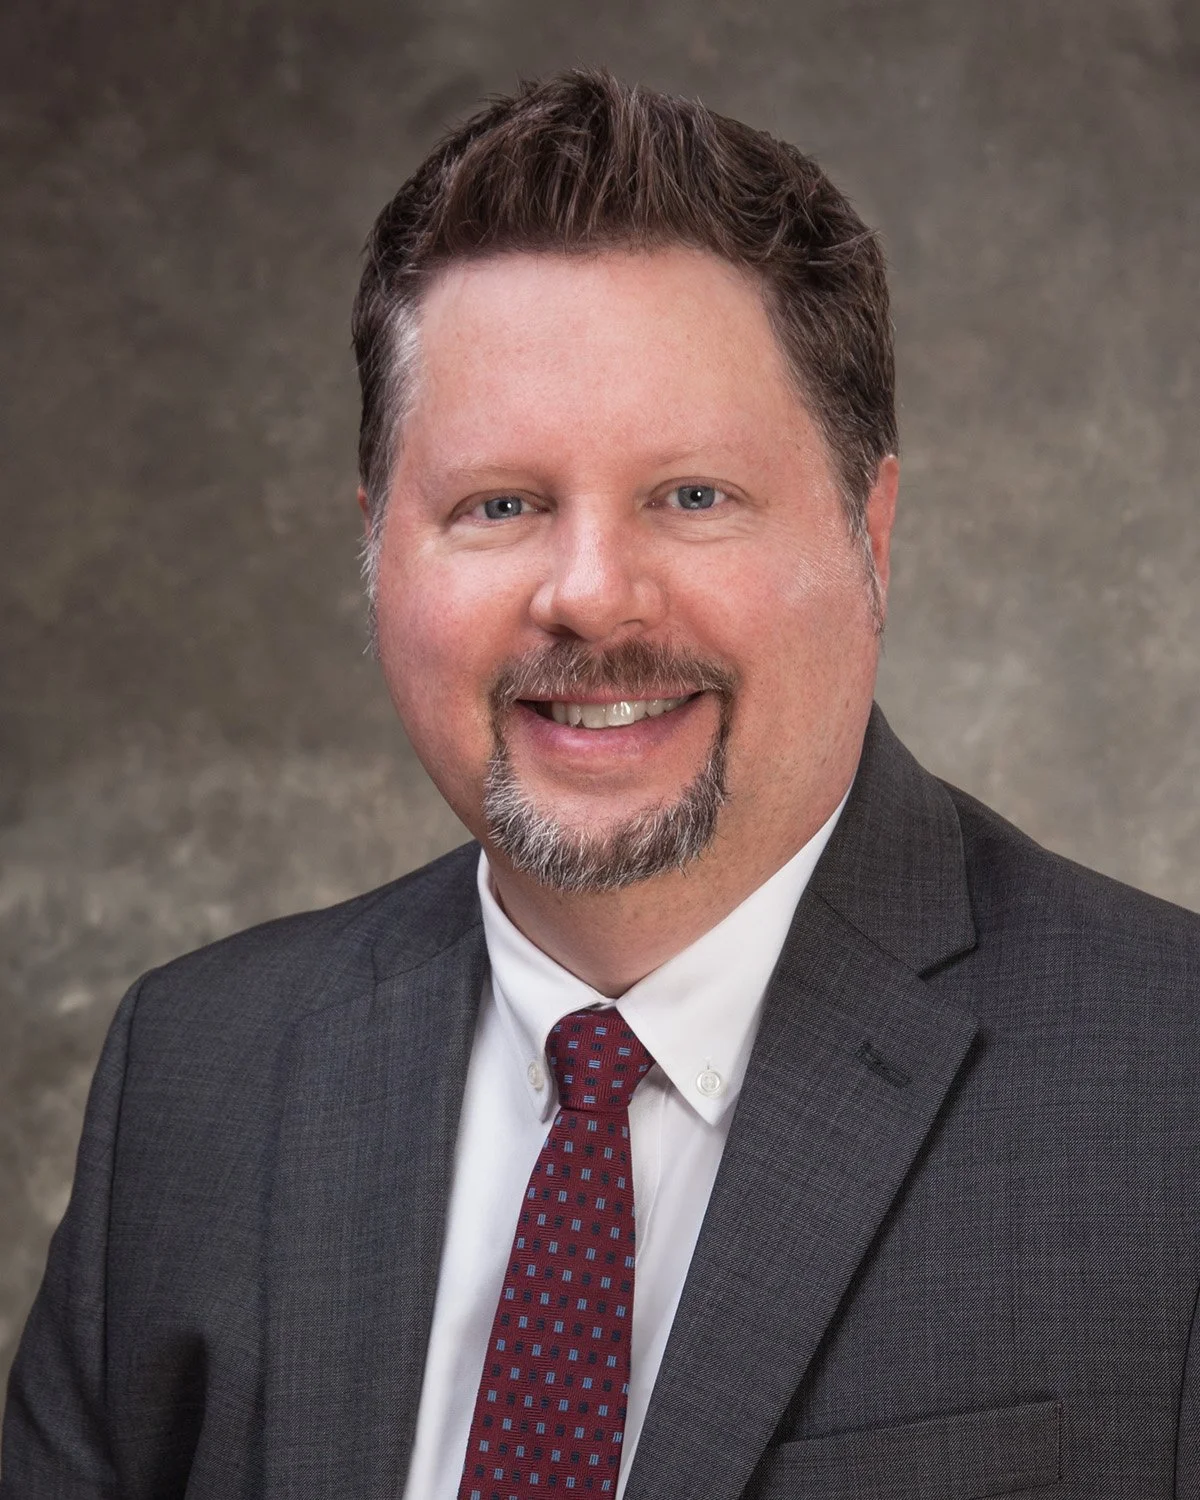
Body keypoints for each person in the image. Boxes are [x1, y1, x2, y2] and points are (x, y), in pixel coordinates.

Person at [3, 67, 1198, 1500]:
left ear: (871, 536)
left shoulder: (1167, 1088)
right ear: (378, 547)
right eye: (499, 504)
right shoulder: (198, 1078)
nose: (589, 596)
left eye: (692, 496)